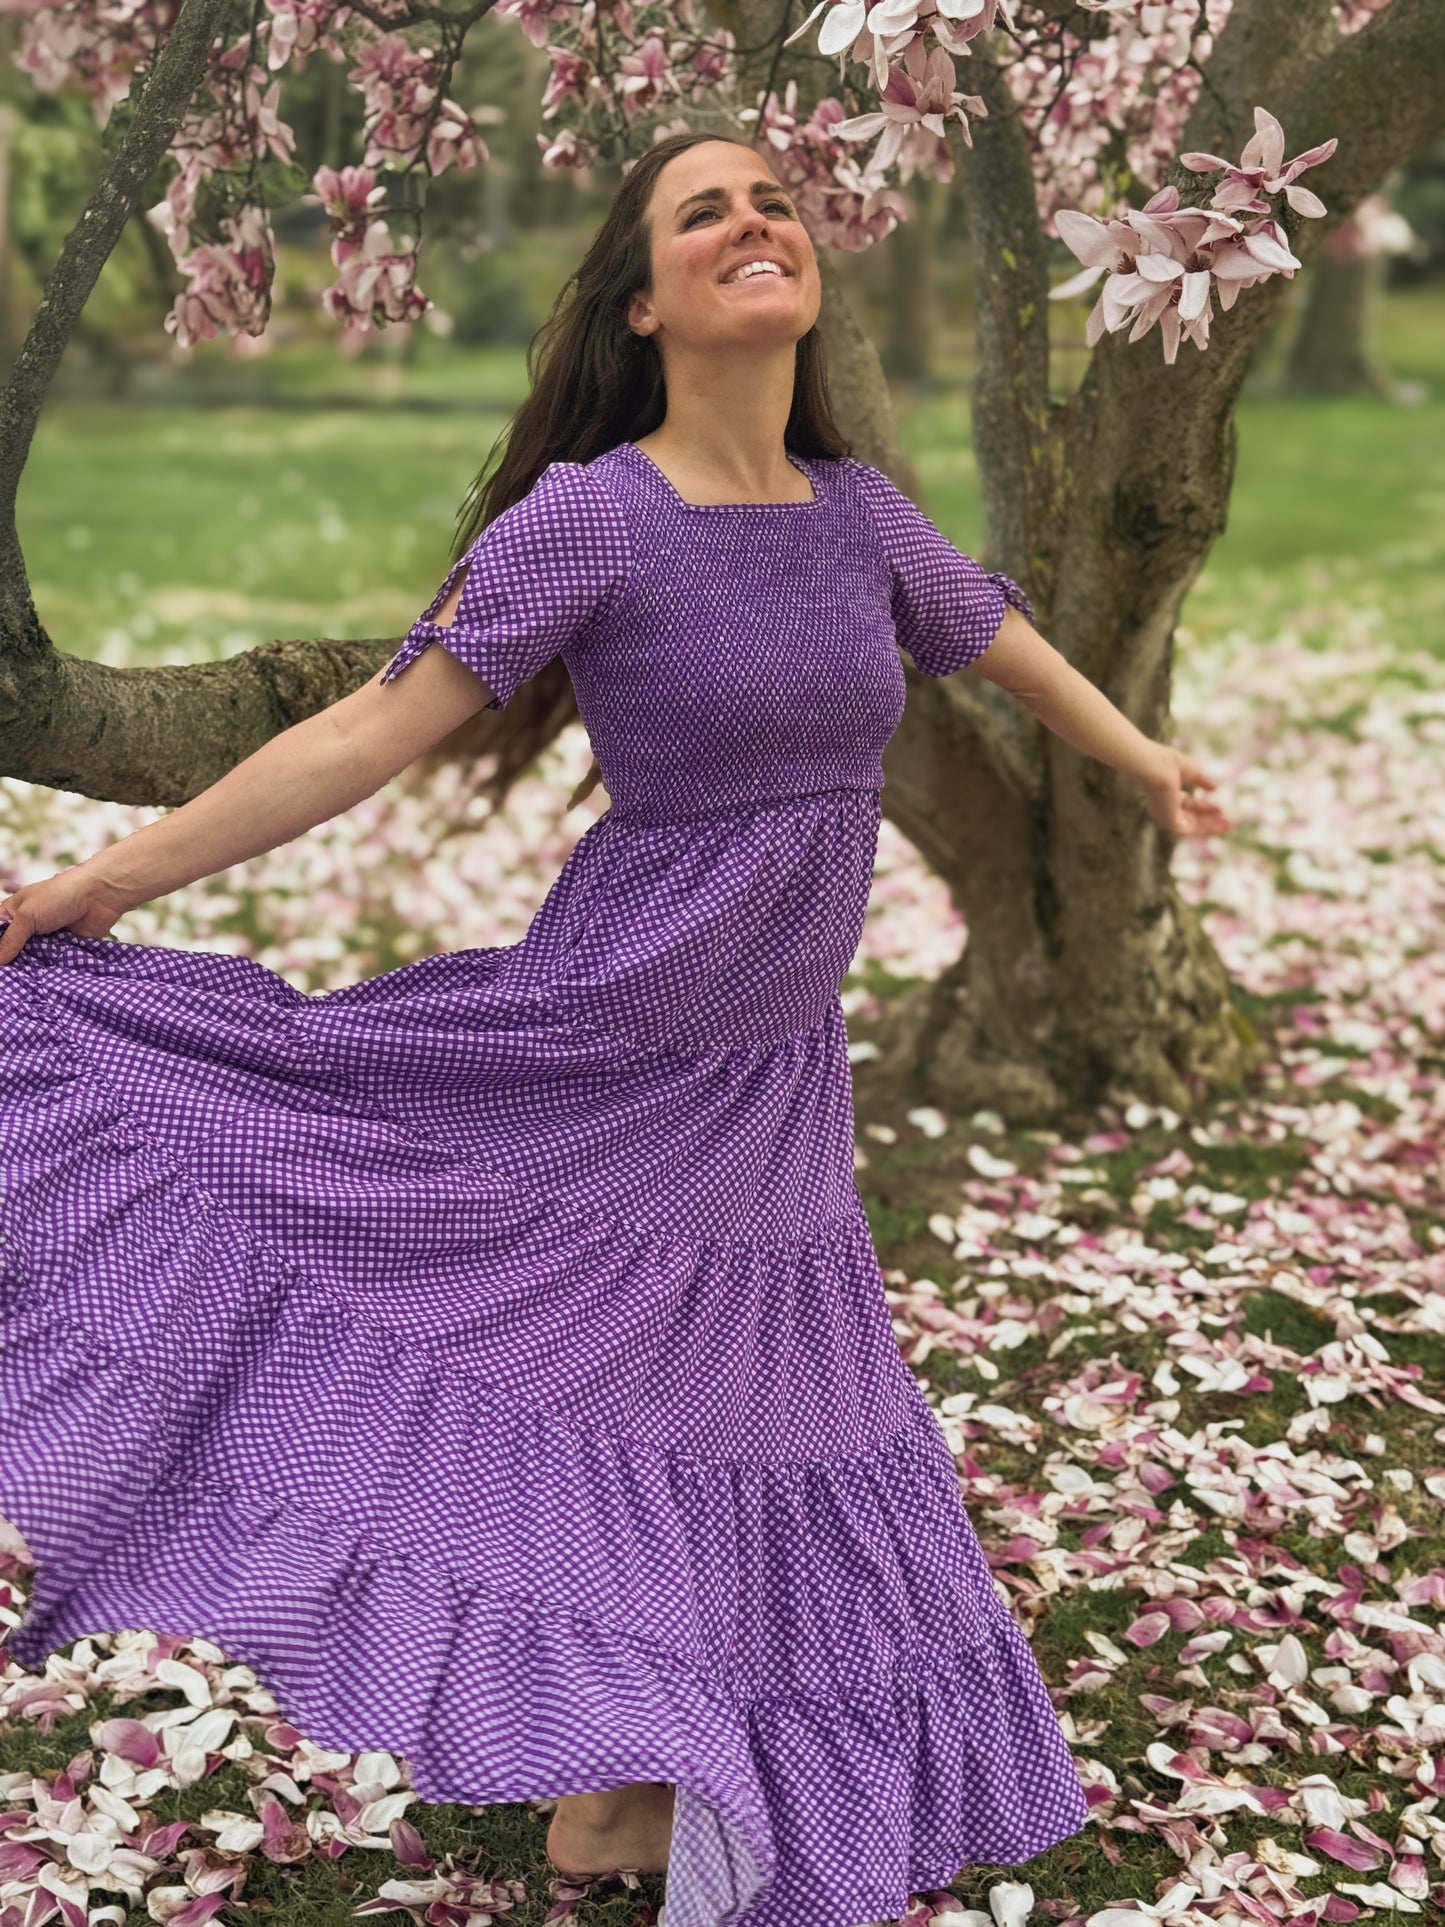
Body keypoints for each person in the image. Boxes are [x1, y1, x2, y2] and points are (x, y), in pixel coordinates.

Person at [0, 131, 1232, 1927]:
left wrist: (1141, 761)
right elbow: (363, 733)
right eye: (701, 209)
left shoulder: (860, 515)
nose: (755, 221)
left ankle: (613, 1792)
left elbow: (995, 641)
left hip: (769, 1068)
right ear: (645, 304)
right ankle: (618, 1764)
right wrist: (107, 884)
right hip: (611, 1029)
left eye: (776, 200)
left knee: (720, 1402)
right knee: (569, 1356)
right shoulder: (590, 518)